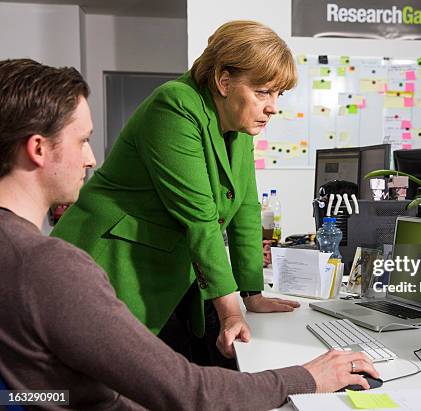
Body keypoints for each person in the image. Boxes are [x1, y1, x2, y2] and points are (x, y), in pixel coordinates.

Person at [0, 58, 378, 410]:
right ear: (37, 148)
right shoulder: (47, 266)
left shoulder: (14, 250)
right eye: (83, 140)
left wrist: (251, 292)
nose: (92, 159)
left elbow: (244, 205)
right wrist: (308, 377)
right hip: (121, 263)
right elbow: (188, 391)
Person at [51, 20, 304, 366]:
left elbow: (244, 205)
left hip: (168, 263)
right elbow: (200, 218)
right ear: (224, 80)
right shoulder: (175, 106)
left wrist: (252, 293)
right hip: (112, 258)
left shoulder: (239, 124)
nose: (273, 106)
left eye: (278, 94)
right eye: (262, 92)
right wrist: (230, 313)